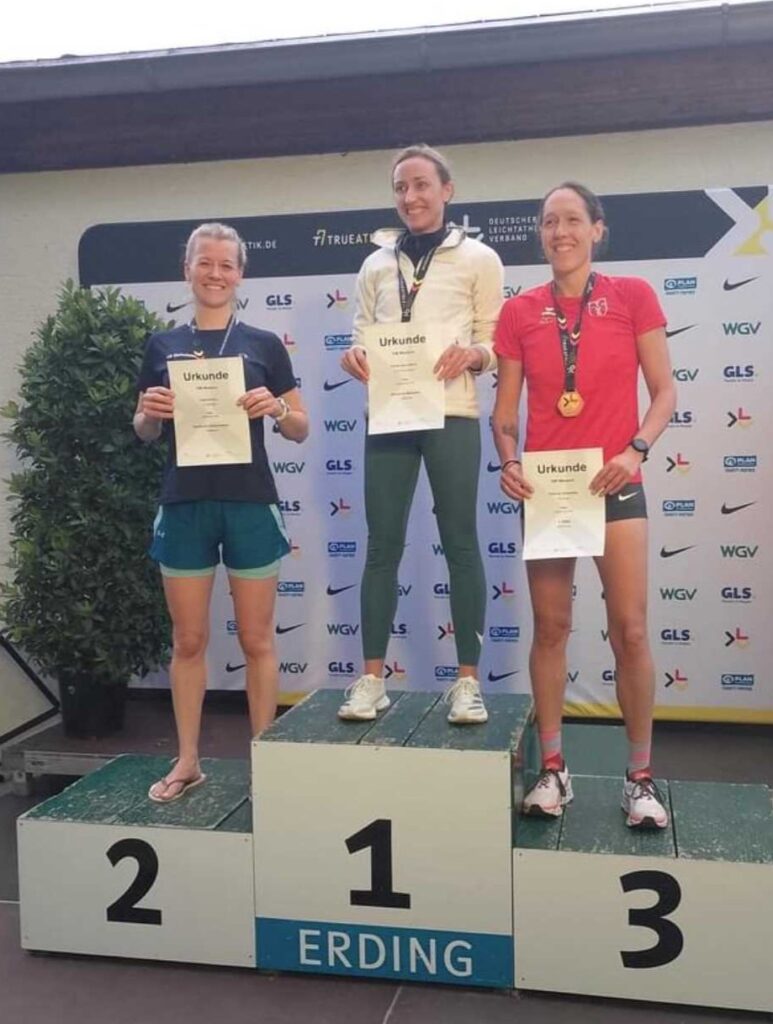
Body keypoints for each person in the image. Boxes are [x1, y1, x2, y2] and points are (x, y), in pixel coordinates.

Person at [492, 182, 676, 827]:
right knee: (551, 629)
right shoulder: (519, 311)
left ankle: (641, 779)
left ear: (597, 228)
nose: (560, 232)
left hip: (615, 482)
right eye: (549, 222)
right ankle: (552, 769)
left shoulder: (632, 296)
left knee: (630, 629)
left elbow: (665, 392)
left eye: (572, 219)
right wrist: (509, 461)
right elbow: (504, 414)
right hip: (548, 489)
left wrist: (635, 450)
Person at [134, 222, 308, 801]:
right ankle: (187, 760)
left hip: (249, 502)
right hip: (185, 503)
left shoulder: (264, 344)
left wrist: (276, 407)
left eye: (226, 264)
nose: (215, 273)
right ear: (187, 269)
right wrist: (150, 413)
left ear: (241, 274)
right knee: (188, 640)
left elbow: (301, 427)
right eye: (204, 262)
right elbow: (143, 430)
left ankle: (265, 763)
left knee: (258, 640)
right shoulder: (162, 345)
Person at [338, 143, 504, 724]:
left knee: (461, 543)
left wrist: (474, 355)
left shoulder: (479, 258)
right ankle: (372, 680)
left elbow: (494, 340)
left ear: (446, 190)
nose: (410, 197)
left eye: (421, 185)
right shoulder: (374, 265)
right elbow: (360, 334)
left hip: (452, 414)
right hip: (389, 414)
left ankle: (467, 683)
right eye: (401, 188)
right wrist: (354, 357)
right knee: (382, 546)